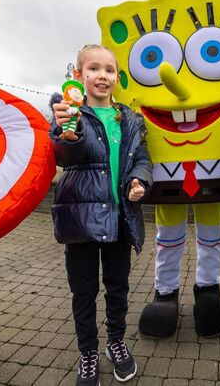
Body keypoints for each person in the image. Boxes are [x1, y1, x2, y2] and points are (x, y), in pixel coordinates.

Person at [50, 44, 153, 385]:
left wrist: (140, 180)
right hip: (80, 218)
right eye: (93, 69)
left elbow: (141, 158)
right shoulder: (70, 112)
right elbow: (66, 156)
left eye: (109, 70)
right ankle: (88, 353)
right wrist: (68, 132)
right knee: (83, 290)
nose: (102, 76)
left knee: (118, 286)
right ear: (78, 76)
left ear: (118, 78)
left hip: (120, 217)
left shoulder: (131, 119)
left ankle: (116, 342)